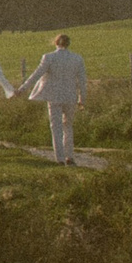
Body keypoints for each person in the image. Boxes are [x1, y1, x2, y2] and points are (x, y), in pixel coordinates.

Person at [14, 33, 88, 165]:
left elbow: (36, 75)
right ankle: (70, 157)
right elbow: (82, 80)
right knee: (68, 126)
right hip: (70, 96)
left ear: (56, 43)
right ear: (68, 44)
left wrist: (22, 89)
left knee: (56, 127)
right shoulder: (77, 59)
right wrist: (82, 98)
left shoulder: (49, 57)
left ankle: (59, 158)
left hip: (54, 97)